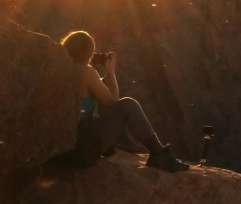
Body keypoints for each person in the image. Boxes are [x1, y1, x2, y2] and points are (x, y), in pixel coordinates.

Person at [59, 31, 189, 172]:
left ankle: (122, 148)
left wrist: (103, 80)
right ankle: (159, 155)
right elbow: (114, 102)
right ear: (88, 52)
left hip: (62, 150)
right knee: (128, 105)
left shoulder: (59, 70)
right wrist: (111, 72)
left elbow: (93, 92)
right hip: (82, 149)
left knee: (103, 108)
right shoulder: (85, 71)